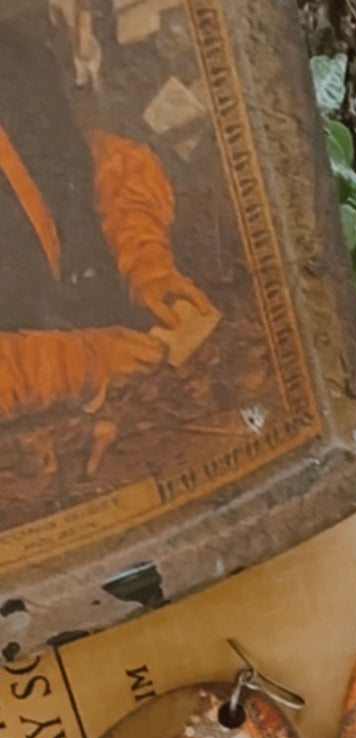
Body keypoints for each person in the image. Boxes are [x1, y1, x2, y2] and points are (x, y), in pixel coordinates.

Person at [0, 0, 214, 423]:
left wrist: (148, 263)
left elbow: (103, 159)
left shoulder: (15, 53)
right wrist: (77, 364)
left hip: (113, 385)